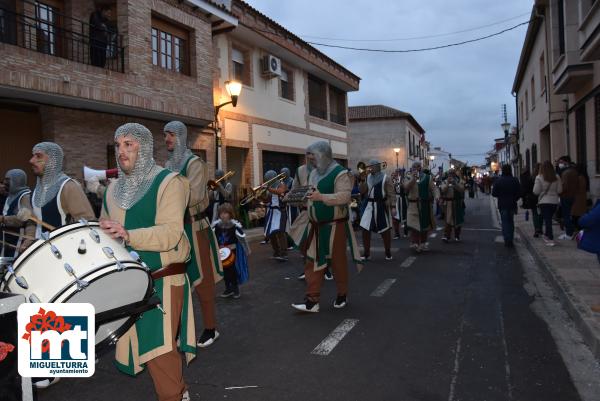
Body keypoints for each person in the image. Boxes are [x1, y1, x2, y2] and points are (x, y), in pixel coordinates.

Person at [100, 122, 195, 401]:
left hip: (163, 279)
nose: (121, 151)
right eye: (118, 145)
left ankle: (174, 396)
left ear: (144, 148)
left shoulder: (169, 182)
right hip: (129, 282)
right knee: (147, 347)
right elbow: (106, 230)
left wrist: (128, 235)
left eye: (128, 144)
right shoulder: (112, 190)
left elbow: (171, 233)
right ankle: (180, 392)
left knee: (159, 348)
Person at [164, 121, 222, 348]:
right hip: (175, 229)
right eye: (165, 135)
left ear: (180, 136)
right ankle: (178, 331)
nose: (166, 139)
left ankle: (210, 328)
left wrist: (165, 201)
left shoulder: (194, 163)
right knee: (177, 279)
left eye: (170, 135)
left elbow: (196, 195)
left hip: (195, 227)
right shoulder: (168, 164)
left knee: (203, 279)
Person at [292, 141, 363, 313]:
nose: (311, 162)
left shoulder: (340, 173)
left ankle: (342, 294)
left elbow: (345, 197)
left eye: (313, 158)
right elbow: (309, 195)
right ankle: (312, 300)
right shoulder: (313, 173)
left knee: (337, 262)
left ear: (323, 155)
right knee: (312, 261)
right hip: (315, 226)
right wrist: (294, 197)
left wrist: (321, 197)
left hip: (335, 226)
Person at [29, 142, 95, 238]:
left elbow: (87, 225)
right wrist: (29, 238)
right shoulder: (35, 190)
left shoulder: (68, 187)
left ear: (53, 161)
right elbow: (34, 221)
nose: (31, 160)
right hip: (40, 250)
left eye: (38, 156)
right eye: (33, 156)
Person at [359, 159, 395, 260]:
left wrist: (393, 207)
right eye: (369, 166)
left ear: (377, 167)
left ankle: (388, 251)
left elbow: (391, 193)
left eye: (372, 166)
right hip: (369, 205)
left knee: (385, 230)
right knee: (365, 229)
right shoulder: (367, 178)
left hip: (381, 205)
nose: (369, 168)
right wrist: (362, 180)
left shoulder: (385, 178)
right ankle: (367, 253)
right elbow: (362, 191)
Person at [212, 203, 250, 298]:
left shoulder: (235, 226)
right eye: (221, 213)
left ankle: (235, 289)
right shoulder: (216, 226)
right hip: (221, 253)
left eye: (225, 213)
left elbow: (242, 239)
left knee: (232, 271)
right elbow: (211, 239)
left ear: (230, 214)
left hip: (232, 253)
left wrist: (247, 250)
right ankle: (228, 289)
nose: (223, 215)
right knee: (224, 272)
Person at [0, 169, 34, 256]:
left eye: (8, 179)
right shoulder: (10, 196)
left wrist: (3, 219)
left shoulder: (24, 197)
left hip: (18, 242)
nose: (4, 182)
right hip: (7, 241)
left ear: (17, 181)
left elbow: (24, 219)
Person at [403, 161, 435, 252]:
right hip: (413, 204)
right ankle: (415, 243)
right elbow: (406, 187)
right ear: (412, 168)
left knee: (424, 226)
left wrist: (437, 197)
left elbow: (433, 189)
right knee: (414, 225)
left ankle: (423, 243)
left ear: (420, 168)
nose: (416, 168)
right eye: (414, 167)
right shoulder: (408, 177)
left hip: (425, 204)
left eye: (418, 167)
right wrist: (413, 178)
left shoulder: (428, 177)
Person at [533, 160, 562, 247]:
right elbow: (560, 190)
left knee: (547, 219)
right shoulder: (557, 177)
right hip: (554, 202)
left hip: (544, 201)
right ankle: (547, 235)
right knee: (548, 218)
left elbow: (536, 191)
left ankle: (550, 237)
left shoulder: (539, 177)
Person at [492, 164, 521, 248]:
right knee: (511, 222)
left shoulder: (498, 181)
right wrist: (514, 199)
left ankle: (507, 240)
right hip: (512, 204)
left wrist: (500, 196)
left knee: (504, 222)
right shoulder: (515, 180)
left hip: (502, 204)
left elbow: (494, 193)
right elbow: (519, 192)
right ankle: (510, 239)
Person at [262, 170, 288, 261]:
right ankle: (276, 251)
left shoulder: (281, 183)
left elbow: (280, 191)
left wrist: (268, 189)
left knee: (280, 232)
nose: (268, 181)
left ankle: (284, 253)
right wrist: (258, 196)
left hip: (280, 211)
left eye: (269, 179)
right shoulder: (270, 187)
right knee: (271, 233)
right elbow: (267, 200)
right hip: (272, 211)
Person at [440, 169, 465, 242]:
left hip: (457, 202)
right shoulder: (444, 181)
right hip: (448, 203)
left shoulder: (459, 181)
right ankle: (446, 236)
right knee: (448, 220)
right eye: (449, 173)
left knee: (458, 219)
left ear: (454, 174)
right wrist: (448, 183)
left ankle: (457, 235)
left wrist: (455, 184)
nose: (451, 175)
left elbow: (462, 190)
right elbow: (443, 190)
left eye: (452, 173)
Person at [557, 156, 578, 240]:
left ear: (566, 162)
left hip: (565, 196)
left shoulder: (566, 173)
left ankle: (568, 233)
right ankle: (570, 231)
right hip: (573, 195)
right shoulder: (574, 171)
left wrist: (559, 192)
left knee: (566, 215)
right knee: (569, 215)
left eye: (561, 162)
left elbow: (564, 186)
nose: (559, 164)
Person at [520, 164, 543, 237]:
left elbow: (527, 189)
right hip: (542, 198)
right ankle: (540, 228)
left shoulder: (531, 178)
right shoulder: (545, 177)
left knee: (535, 213)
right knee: (541, 214)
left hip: (533, 198)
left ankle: (537, 229)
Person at [281, 166, 297, 250]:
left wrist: (286, 190)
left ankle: (293, 243)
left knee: (291, 224)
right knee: (285, 225)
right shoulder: (282, 182)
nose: (282, 175)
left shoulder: (292, 181)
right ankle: (287, 243)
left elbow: (294, 192)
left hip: (291, 206)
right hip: (284, 206)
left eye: (284, 173)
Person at [572, 163, 590, 230]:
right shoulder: (584, 177)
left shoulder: (580, 178)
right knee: (579, 213)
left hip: (578, 199)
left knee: (577, 214)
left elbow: (577, 188)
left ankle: (578, 227)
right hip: (581, 198)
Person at [392, 168, 408, 239]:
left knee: (404, 216)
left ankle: (406, 232)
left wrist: (402, 184)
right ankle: (397, 234)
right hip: (395, 200)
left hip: (402, 199)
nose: (397, 173)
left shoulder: (404, 179)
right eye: (396, 172)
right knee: (395, 217)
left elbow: (406, 189)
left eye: (398, 172)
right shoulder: (392, 180)